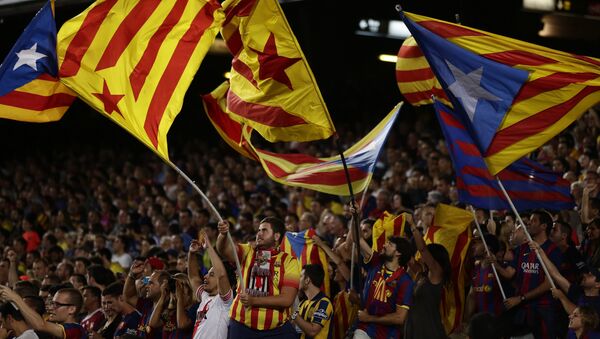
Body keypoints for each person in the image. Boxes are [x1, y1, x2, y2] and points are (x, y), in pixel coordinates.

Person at [216, 217, 299, 338]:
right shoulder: (247, 251)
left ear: (276, 236)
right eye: (259, 230)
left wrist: (254, 301)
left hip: (275, 330)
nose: (259, 233)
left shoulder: (289, 261)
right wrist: (223, 235)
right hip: (241, 326)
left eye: (264, 230)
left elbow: (287, 299)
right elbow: (223, 250)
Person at [495, 210, 564, 339]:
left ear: (544, 226)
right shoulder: (522, 248)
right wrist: (495, 263)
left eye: (533, 221)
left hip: (543, 309)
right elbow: (509, 273)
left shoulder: (553, 251)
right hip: (523, 309)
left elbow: (548, 283)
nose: (528, 224)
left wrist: (521, 298)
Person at [404, 214, 451, 339]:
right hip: (413, 328)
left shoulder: (436, 274)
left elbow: (423, 249)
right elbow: (408, 259)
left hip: (429, 331)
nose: (421, 257)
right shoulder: (421, 274)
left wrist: (413, 226)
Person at [190, 231, 235, 338]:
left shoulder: (225, 302)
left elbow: (222, 275)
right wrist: (191, 254)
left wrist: (209, 247)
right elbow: (193, 277)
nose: (205, 276)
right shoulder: (205, 297)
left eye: (212, 274)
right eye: (207, 274)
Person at [0, 285, 86, 338]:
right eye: (52, 303)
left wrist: (16, 298)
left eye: (57, 305)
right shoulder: (53, 328)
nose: (51, 308)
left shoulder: (76, 330)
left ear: (72, 309)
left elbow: (40, 325)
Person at [292, 264, 334, 339]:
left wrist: (293, 313)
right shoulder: (302, 303)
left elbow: (313, 331)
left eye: (301, 276)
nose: (298, 279)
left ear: (307, 280)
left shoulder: (324, 303)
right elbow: (294, 328)